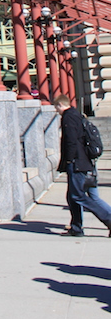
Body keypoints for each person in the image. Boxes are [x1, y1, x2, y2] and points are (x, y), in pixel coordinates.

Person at [54, 94, 111, 236]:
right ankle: (76, 227)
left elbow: (71, 141)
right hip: (85, 161)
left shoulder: (68, 117)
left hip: (77, 163)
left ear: (61, 105)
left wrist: (68, 161)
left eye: (56, 107)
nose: (57, 111)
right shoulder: (78, 115)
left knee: (78, 196)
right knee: (77, 195)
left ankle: (108, 219)